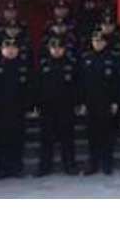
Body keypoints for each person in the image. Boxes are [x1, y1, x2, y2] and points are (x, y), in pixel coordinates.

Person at [0, 38, 32, 179]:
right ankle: (2, 169)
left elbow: (30, 89)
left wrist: (30, 107)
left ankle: (17, 168)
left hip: (18, 110)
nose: (10, 50)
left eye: (13, 48)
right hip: (0, 111)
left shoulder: (24, 67)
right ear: (2, 50)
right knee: (1, 140)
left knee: (18, 139)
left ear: (18, 50)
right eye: (7, 48)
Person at [35, 37, 79, 176]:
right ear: (49, 49)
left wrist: (77, 103)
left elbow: (77, 86)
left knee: (67, 138)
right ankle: (44, 167)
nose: (56, 50)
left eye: (59, 48)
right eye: (54, 48)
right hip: (47, 108)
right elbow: (37, 86)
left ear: (64, 49)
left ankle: (70, 165)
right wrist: (36, 104)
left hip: (66, 107)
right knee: (46, 139)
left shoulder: (71, 65)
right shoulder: (43, 65)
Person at [79, 30, 120, 175]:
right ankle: (93, 164)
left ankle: (107, 164)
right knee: (92, 135)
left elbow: (117, 82)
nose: (98, 43)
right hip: (90, 102)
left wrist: (115, 101)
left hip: (106, 101)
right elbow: (81, 83)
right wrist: (82, 102)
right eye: (95, 41)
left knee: (107, 134)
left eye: (101, 41)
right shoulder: (85, 58)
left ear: (105, 43)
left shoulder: (112, 59)